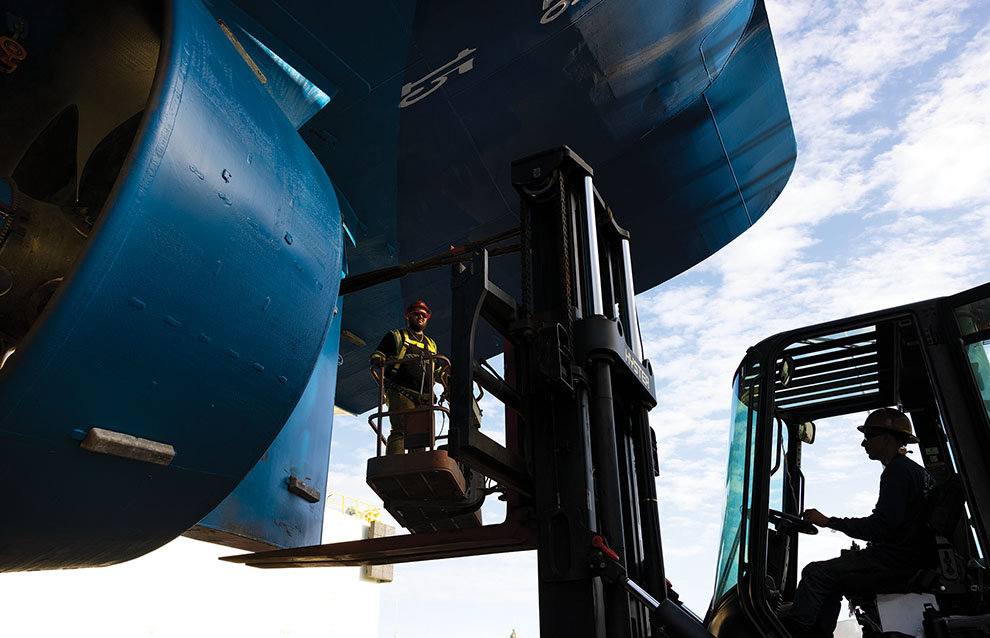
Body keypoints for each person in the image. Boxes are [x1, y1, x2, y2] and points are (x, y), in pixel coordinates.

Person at [784, 407, 935, 638]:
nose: (863, 444)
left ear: (886, 438)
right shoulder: (915, 472)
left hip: (896, 562)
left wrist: (828, 521)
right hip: (910, 557)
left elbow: (881, 527)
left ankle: (795, 635)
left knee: (815, 574)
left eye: (868, 438)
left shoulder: (897, 472)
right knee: (831, 578)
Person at [369, 300, 444, 455]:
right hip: (401, 391)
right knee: (401, 431)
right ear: (408, 316)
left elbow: (436, 371)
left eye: (424, 315)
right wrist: (379, 360)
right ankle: (394, 464)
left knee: (421, 437)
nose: (421, 317)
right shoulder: (396, 336)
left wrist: (447, 382)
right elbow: (377, 354)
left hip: (425, 397)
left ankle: (417, 468)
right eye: (417, 313)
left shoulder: (431, 344)